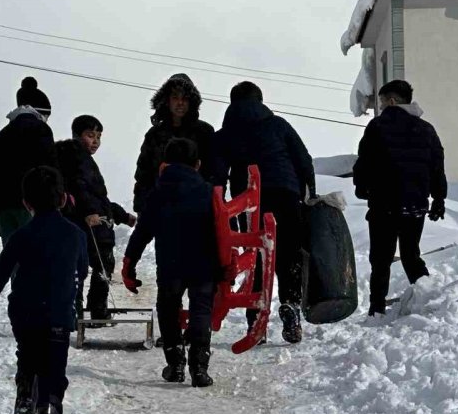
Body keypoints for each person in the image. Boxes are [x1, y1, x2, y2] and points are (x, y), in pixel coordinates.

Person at [0, 166, 88, 414]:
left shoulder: (21, 236)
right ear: (63, 199)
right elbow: (82, 271)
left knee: (29, 358)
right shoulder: (76, 235)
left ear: (26, 203)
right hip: (58, 314)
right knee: (54, 369)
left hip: (25, 313)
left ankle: (23, 401)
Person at [217, 81, 316, 344]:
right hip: (285, 194)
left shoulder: (226, 133)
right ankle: (291, 306)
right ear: (260, 101)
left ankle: (255, 321)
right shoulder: (278, 125)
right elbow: (303, 159)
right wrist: (309, 193)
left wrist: (223, 205)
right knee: (288, 255)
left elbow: (217, 174)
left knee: (256, 258)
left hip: (250, 201)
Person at [123, 138, 218, 388]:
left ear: (164, 165)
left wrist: (129, 265)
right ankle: (199, 368)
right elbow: (222, 232)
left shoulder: (158, 194)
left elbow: (142, 232)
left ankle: (175, 364)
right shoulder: (208, 192)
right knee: (201, 311)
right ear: (197, 164)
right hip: (203, 265)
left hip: (170, 266)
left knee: (168, 309)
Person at [353, 79, 447, 316]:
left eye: (383, 103)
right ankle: (429, 299)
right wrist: (438, 199)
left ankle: (376, 310)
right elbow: (436, 166)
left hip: (383, 205)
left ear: (392, 101)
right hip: (414, 205)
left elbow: (364, 162)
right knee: (410, 254)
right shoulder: (426, 130)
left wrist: (361, 188)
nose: (382, 108)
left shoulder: (377, 127)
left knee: (381, 260)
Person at [57, 115, 136, 322]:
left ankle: (92, 309)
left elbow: (99, 198)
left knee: (97, 266)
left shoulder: (84, 159)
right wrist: (88, 212)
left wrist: (122, 215)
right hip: (86, 224)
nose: (95, 141)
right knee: (88, 268)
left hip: (96, 222)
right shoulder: (75, 157)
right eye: (90, 135)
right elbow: (79, 188)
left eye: (98, 136)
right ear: (77, 135)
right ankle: (81, 311)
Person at [0, 76, 56, 245]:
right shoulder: (41, 130)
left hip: (3, 210)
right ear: (40, 112)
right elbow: (50, 169)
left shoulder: (0, 136)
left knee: (14, 259)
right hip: (31, 205)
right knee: (36, 260)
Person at [132, 73, 216, 214]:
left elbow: (214, 171)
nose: (180, 103)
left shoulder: (204, 132)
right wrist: (142, 208)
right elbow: (143, 173)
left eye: (185, 98)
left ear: (191, 102)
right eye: (175, 97)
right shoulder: (155, 134)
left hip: (197, 208)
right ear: (167, 101)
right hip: (164, 208)